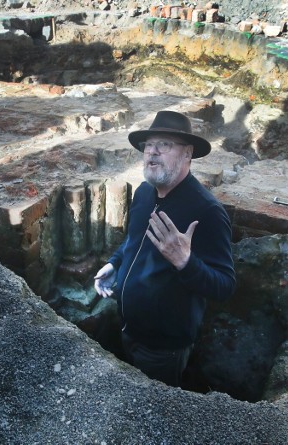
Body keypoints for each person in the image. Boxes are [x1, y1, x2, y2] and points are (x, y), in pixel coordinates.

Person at [94, 110, 236, 387]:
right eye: (148, 145)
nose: (152, 152)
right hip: (127, 328)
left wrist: (185, 262)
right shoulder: (144, 193)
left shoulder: (206, 211)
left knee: (152, 414)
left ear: (188, 154)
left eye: (165, 145)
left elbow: (225, 286)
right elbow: (134, 243)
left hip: (162, 349)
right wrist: (115, 263)